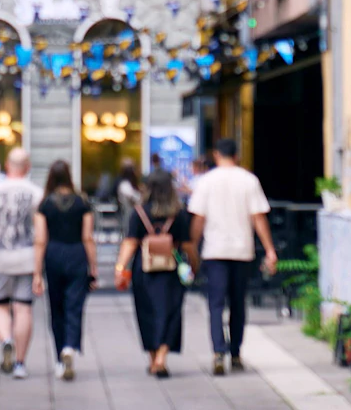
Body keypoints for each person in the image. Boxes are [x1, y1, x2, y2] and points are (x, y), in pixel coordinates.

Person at [188, 138, 277, 375]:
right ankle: (236, 353)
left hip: (214, 251)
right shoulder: (249, 180)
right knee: (238, 303)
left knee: (215, 303)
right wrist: (269, 249)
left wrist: (192, 247)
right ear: (237, 155)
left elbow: (198, 219)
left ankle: (218, 351)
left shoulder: (205, 182)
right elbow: (259, 217)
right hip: (242, 250)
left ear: (216, 155)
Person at [115, 170, 196, 378]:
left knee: (147, 312)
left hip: (144, 268)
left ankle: (153, 360)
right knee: (170, 313)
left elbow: (130, 241)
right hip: (171, 270)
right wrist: (195, 266)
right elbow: (188, 245)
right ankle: (161, 357)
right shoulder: (179, 213)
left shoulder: (139, 212)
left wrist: (121, 268)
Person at [0, 146, 41, 379]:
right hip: (27, 258)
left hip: (0, 258)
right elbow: (42, 233)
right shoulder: (36, 193)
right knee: (23, 308)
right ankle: (20, 364)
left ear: (7, 165)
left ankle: (6, 339)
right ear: (28, 167)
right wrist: (40, 269)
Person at [33, 160, 95, 381]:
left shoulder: (45, 204)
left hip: (53, 254)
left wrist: (37, 273)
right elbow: (88, 237)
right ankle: (70, 346)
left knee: (56, 307)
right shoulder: (82, 202)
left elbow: (40, 239)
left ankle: (60, 358)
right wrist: (93, 268)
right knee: (74, 306)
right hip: (77, 254)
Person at [114, 160, 142, 236]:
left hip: (134, 214)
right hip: (129, 214)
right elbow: (135, 198)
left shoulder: (130, 185)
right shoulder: (125, 185)